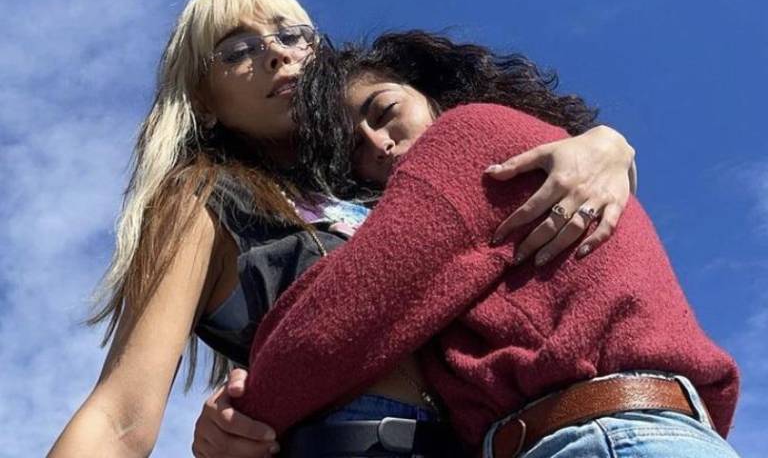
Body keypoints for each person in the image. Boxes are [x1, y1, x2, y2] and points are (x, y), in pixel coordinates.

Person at [48, 0, 637, 457]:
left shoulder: (395, 177)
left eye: (291, 35)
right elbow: (120, 417)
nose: (277, 53)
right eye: (238, 50)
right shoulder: (204, 194)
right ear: (204, 102)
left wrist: (606, 146)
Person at [222, 34, 740, 457]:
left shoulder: (467, 135)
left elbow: (345, 309)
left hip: (600, 437)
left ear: (429, 91)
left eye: (384, 110)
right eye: (355, 148)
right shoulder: (525, 170)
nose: (380, 143)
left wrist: (242, 420)